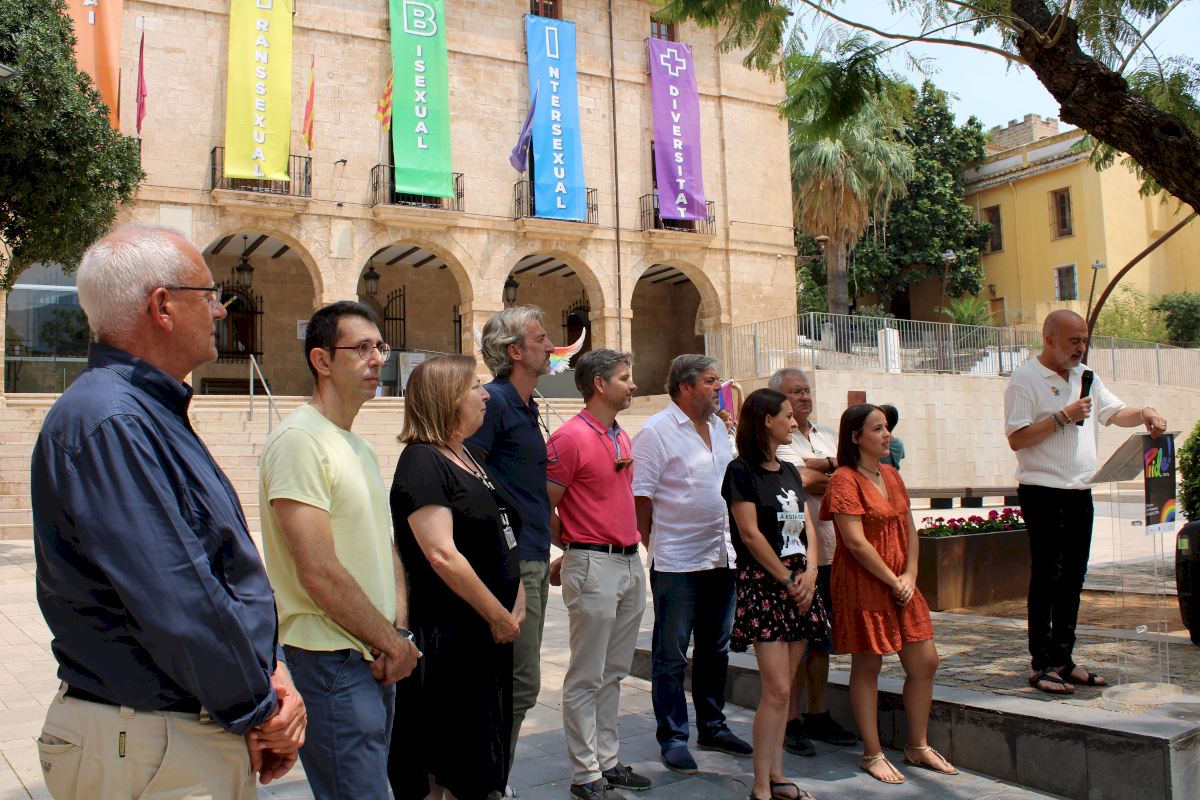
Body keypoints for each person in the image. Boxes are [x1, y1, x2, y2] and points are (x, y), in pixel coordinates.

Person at [31, 224, 305, 798]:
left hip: (172, 734)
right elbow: (181, 597)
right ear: (162, 306)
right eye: (209, 296)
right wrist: (260, 708)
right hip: (151, 742)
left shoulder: (143, 411)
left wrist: (270, 673)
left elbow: (217, 568)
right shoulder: (113, 420)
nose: (221, 312)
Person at [260, 301, 421, 799]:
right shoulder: (299, 441)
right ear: (322, 360)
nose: (378, 359)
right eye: (362, 348)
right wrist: (392, 643)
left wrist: (398, 633)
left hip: (372, 653)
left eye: (381, 347)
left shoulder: (359, 446)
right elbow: (318, 570)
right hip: (329, 658)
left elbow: (385, 546)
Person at [1004, 309, 1167, 694]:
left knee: (1074, 577)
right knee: (1048, 576)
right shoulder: (1025, 379)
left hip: (1081, 490)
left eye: (1084, 340)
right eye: (1074, 340)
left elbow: (1115, 412)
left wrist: (1145, 412)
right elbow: (1017, 438)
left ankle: (1064, 658)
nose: (1081, 348)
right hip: (1043, 492)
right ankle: (1041, 663)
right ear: (1049, 339)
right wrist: (1062, 416)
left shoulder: (1086, 376)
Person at [389, 355, 524, 800]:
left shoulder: (466, 455)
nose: (486, 395)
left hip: (486, 633)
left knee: (474, 761)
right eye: (475, 387)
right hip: (452, 638)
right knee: (448, 761)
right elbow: (441, 554)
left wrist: (518, 595)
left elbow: (502, 532)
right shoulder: (422, 461)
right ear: (448, 398)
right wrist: (497, 614)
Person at [819, 404, 956, 785]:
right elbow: (855, 542)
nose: (887, 435)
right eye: (877, 429)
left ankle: (918, 745)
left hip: (901, 581)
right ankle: (872, 753)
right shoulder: (844, 480)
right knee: (868, 666)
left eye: (886, 428)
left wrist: (909, 574)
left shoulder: (891, 474)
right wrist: (892, 580)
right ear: (855, 437)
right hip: (863, 582)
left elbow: (909, 528)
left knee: (925, 661)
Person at [632, 355, 752, 775]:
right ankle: (673, 737)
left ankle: (713, 727)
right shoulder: (655, 432)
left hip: (722, 555)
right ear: (684, 387)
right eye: (710, 381)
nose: (718, 387)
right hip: (677, 561)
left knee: (715, 648)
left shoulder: (719, 427)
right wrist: (656, 543)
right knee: (671, 654)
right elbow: (641, 500)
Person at [547, 350, 651, 800]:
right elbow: (542, 504)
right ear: (599, 385)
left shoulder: (619, 434)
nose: (633, 385)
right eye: (625, 378)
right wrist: (572, 547)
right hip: (595, 564)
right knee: (587, 674)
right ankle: (585, 773)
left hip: (628, 562)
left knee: (614, 672)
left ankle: (608, 761)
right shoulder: (569, 438)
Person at [721, 389, 826, 800]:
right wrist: (786, 579)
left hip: (800, 584)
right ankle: (760, 785)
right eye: (786, 415)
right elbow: (749, 534)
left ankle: (778, 776)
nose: (794, 422)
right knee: (778, 688)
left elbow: (807, 526)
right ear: (767, 420)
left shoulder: (790, 472)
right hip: (767, 585)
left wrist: (811, 573)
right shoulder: (740, 471)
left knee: (787, 689)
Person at [468, 306, 556, 771]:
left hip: (535, 556)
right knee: (519, 684)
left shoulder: (527, 405)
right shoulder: (494, 402)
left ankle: (495, 777)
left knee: (519, 684)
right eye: (541, 339)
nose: (551, 346)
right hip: (513, 563)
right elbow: (471, 476)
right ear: (515, 351)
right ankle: (491, 779)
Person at [769, 368, 857, 757]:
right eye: (796, 392)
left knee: (821, 640)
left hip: (833, 553)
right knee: (795, 644)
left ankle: (818, 713)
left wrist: (823, 469)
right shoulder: (778, 438)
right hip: (796, 556)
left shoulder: (825, 434)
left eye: (807, 390)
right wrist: (835, 469)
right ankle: (789, 720)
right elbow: (799, 481)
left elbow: (847, 479)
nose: (804, 397)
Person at [878, 405, 905, 471]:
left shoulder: (877, 442)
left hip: (880, 475)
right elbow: (902, 456)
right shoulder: (900, 443)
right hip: (893, 475)